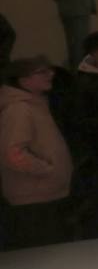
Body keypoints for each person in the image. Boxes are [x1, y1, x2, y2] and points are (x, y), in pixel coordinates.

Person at [0, 57, 73, 250]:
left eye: (49, 70)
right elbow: (13, 153)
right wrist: (46, 169)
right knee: (43, 255)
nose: (51, 74)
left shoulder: (37, 105)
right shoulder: (19, 109)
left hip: (44, 193)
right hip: (33, 196)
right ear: (23, 80)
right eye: (42, 72)